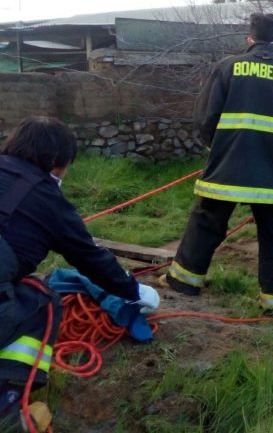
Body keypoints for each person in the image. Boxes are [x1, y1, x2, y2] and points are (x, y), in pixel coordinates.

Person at [0, 116, 159, 425]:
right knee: (41, 304)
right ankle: (8, 393)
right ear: (57, 161)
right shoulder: (46, 198)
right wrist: (135, 291)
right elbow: (89, 257)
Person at [166, 13, 273, 318]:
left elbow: (205, 119)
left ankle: (184, 282)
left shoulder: (227, 68)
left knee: (206, 221)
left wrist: (218, 147)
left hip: (229, 166)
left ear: (249, 40)